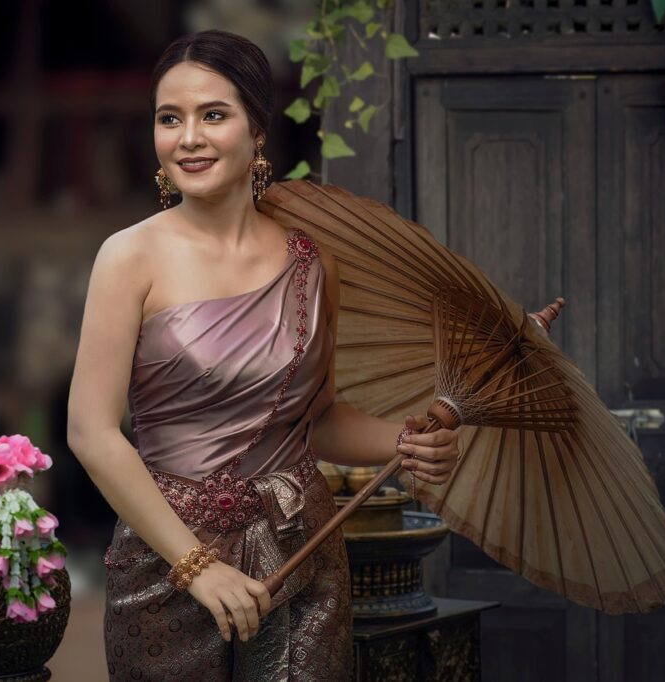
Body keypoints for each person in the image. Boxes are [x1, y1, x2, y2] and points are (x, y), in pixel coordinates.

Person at [66, 29, 460, 681]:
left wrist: (403, 438)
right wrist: (197, 566)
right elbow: (91, 432)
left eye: (213, 115)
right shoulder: (129, 256)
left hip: (299, 548)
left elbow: (319, 418)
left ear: (258, 136)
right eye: (170, 119)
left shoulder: (312, 261)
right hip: (165, 560)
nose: (188, 137)